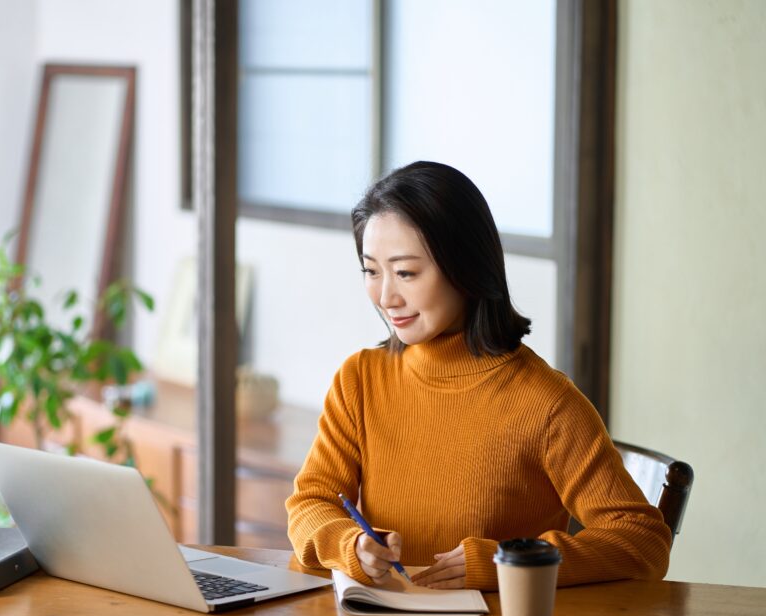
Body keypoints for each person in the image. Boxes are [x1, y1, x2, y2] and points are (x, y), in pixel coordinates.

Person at [285, 161, 671, 590]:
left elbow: (642, 540)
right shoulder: (360, 380)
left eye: (407, 272)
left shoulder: (546, 402)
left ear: (465, 267)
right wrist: (349, 544)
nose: (386, 296)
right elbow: (311, 503)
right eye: (371, 271)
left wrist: (508, 562)